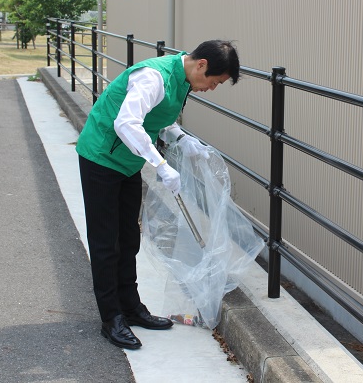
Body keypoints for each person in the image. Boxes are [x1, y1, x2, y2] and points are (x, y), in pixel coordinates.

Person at [76, 40, 240, 349]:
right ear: (202, 65)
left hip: (127, 162)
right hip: (101, 157)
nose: (211, 89)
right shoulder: (153, 77)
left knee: (128, 238)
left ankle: (131, 307)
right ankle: (111, 318)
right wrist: (161, 165)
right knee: (106, 242)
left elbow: (158, 117)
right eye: (215, 82)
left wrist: (180, 137)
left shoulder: (182, 80)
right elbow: (126, 123)